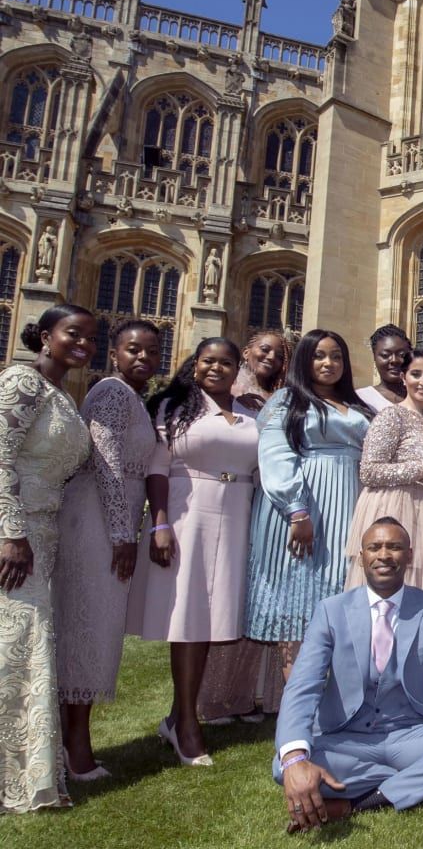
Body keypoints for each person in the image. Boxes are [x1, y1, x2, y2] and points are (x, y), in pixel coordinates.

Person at [274, 518, 423, 831]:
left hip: (412, 735)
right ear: (362, 555)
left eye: (394, 547)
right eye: (375, 547)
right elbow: (303, 687)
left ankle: (358, 802)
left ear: (409, 555)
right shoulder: (331, 610)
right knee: (283, 763)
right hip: (345, 739)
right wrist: (296, 758)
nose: (384, 555)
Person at [126, 338, 259, 766]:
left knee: (211, 619)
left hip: (236, 513)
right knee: (187, 620)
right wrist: (160, 522)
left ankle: (177, 715)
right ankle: (186, 724)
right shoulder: (174, 409)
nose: (216, 369)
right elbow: (157, 468)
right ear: (195, 365)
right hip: (188, 513)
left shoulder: (250, 414)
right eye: (208, 361)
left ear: (238, 368)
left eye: (225, 363)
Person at [54, 319, 160, 779]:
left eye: (152, 352)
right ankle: (75, 752)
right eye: (133, 349)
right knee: (86, 630)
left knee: (94, 631)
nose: (143, 358)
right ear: (114, 353)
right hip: (96, 520)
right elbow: (107, 462)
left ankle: (71, 744)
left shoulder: (130, 396)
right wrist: (123, 534)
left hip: (109, 518)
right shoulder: (111, 393)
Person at [0, 306, 95, 813]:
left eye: (90, 338)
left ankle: (26, 770)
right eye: (72, 334)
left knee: (26, 648)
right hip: (16, 534)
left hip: (45, 531)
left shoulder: (60, 394)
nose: (83, 344)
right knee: (14, 646)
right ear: (45, 336)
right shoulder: (22, 381)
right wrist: (11, 534)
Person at [243, 330, 372, 672]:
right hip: (303, 509)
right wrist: (296, 510)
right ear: (304, 360)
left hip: (348, 507)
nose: (328, 363)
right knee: (298, 608)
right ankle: (301, 714)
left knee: (338, 601)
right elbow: (274, 454)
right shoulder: (288, 401)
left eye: (336, 356)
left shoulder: (358, 407)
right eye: (319, 355)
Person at [198, 328, 291, 724]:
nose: (269, 357)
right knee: (232, 601)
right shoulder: (231, 393)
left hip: (269, 505)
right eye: (263, 350)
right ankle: (219, 697)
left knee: (267, 599)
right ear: (248, 352)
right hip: (238, 502)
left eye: (278, 352)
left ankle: (260, 694)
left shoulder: (282, 395)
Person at [345, 347, 423, 592]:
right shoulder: (391, 416)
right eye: (416, 374)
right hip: (391, 505)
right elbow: (369, 472)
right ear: (403, 377)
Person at [231, 329, 290, 413]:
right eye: (265, 349)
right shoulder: (227, 384)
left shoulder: (283, 396)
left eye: (279, 356)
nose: (272, 357)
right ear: (246, 353)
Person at [356, 324, 412, 411]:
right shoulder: (361, 398)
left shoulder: (422, 396)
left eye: (402, 355)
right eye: (385, 355)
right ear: (374, 357)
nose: (394, 360)